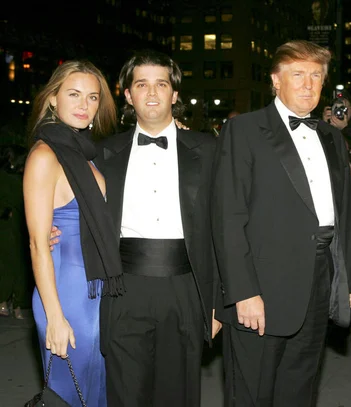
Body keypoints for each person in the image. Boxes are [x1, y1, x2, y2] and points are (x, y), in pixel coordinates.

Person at [212, 40, 351, 406]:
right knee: (251, 396)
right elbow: (228, 217)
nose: (308, 84)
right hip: (260, 289)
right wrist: (243, 292)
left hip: (318, 283)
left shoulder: (333, 138)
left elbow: (343, 212)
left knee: (299, 392)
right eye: (298, 75)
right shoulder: (243, 130)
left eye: (316, 76)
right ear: (276, 80)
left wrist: (347, 280)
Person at [93, 50, 220, 406]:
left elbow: (224, 228)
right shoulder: (104, 153)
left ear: (175, 94)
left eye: (161, 84)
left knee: (177, 395)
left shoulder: (208, 150)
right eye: (142, 85)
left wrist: (219, 303)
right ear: (128, 95)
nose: (152, 93)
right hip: (123, 288)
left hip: (186, 287)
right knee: (125, 394)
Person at [24, 60, 122, 406]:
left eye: (93, 97)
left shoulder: (86, 153)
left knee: (99, 392)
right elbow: (38, 243)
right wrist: (55, 316)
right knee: (71, 395)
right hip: (66, 295)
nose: (84, 105)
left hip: (96, 292)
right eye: (74, 94)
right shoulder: (45, 155)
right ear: (53, 99)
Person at [0, 145, 30, 320]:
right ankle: (4, 300)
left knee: (19, 265)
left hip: (19, 228)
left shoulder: (23, 179)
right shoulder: (5, 179)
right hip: (5, 228)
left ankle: (17, 303)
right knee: (8, 265)